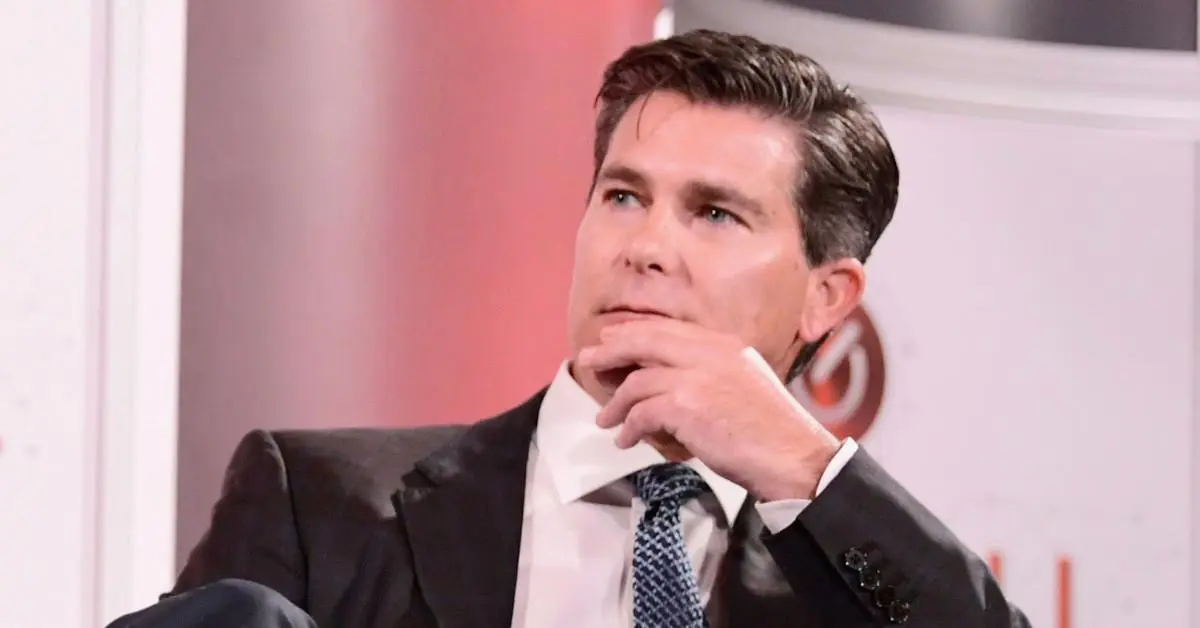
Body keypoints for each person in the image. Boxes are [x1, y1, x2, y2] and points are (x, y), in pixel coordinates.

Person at [110, 29, 1029, 628]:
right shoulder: (316, 503)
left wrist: (803, 464)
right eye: (624, 196)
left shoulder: (849, 588)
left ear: (826, 297)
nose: (646, 247)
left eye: (714, 214)